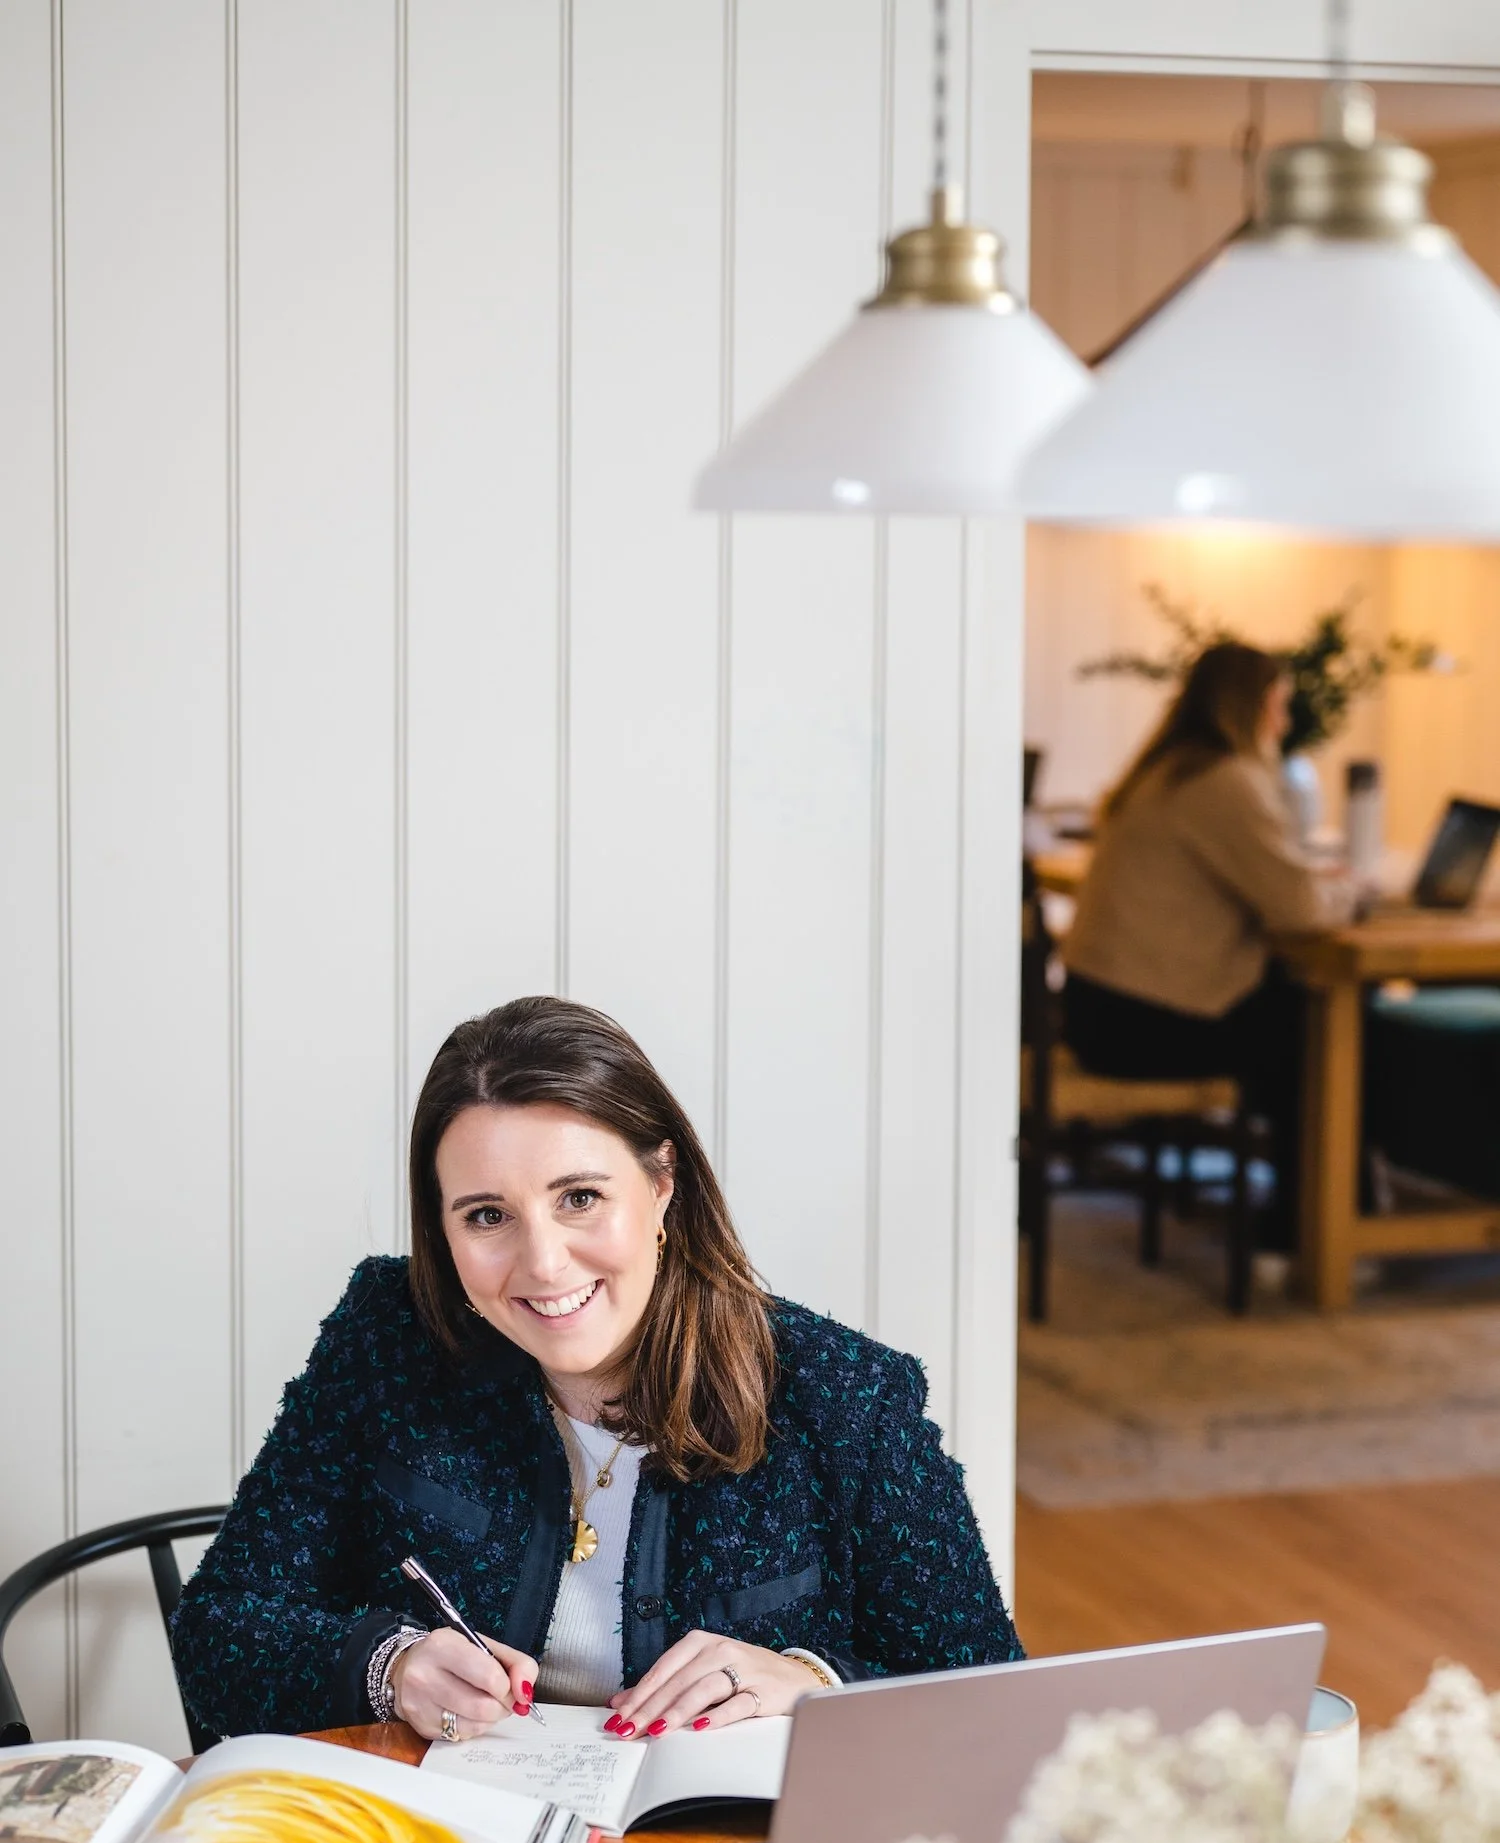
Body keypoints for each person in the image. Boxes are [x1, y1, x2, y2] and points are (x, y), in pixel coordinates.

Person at [172, 997, 1022, 1745]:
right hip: (432, 1842)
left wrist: (814, 1683)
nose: (543, 1263)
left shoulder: (845, 1398)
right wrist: (385, 1665)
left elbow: (996, 1704)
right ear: (441, 1227)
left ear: (662, 1185)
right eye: (487, 1215)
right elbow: (218, 1632)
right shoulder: (389, 1333)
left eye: (579, 1198)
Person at [1062, 641, 1353, 1252]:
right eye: (1279, 705)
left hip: (1094, 1010)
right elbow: (1299, 910)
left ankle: (1322, 1206)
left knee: (1290, 1006)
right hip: (1140, 1026)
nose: (1285, 723)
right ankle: (1309, 1225)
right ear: (1249, 707)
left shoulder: (1167, 771)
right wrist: (1349, 892)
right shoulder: (1225, 782)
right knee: (1319, 1028)